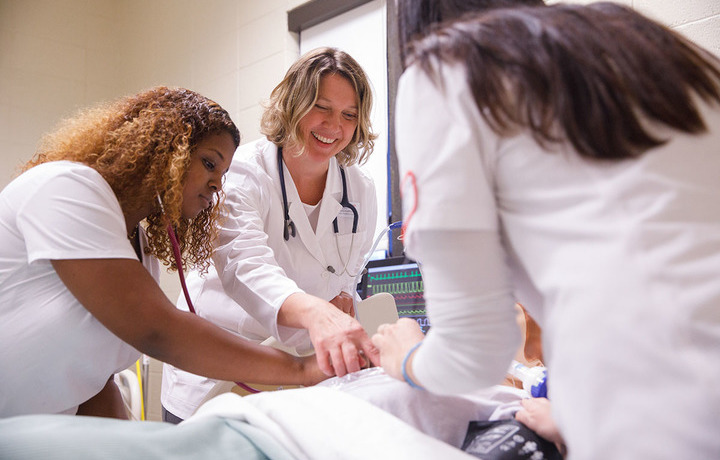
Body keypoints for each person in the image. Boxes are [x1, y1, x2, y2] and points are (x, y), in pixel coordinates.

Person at [373, 2, 720, 459]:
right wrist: (572, 416)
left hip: (662, 408)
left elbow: (474, 354)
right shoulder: (643, 41)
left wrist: (406, 357)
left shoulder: (444, 69)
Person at [0, 87, 325, 419]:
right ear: (166, 149)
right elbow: (158, 332)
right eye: (209, 163)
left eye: (222, 175)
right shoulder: (65, 188)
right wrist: (301, 370)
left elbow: (94, 381)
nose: (216, 185)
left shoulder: (139, 249)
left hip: (37, 434)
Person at [161, 47, 380, 422]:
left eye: (349, 115)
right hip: (216, 369)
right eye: (322, 107)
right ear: (294, 103)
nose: (334, 126)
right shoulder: (242, 173)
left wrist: (342, 299)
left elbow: (348, 271)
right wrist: (317, 314)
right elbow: (245, 266)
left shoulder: (359, 191)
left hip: (300, 375)